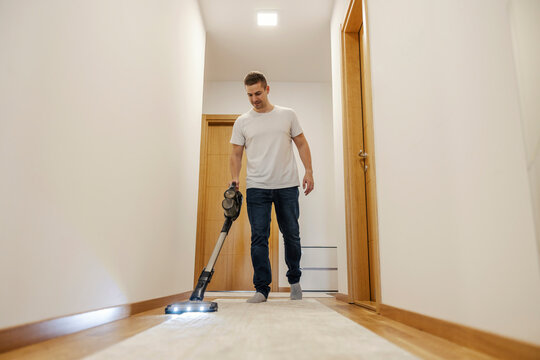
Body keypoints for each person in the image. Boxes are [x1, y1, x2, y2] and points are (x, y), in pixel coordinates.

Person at [229, 71, 314, 303]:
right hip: (257, 187)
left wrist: (309, 171)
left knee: (292, 235)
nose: (254, 98)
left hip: (287, 185)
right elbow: (236, 153)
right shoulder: (242, 121)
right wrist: (235, 178)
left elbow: (302, 143)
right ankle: (261, 289)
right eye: (249, 95)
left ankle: (294, 282)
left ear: (267, 89)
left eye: (258, 93)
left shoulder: (287, 115)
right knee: (259, 238)